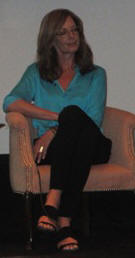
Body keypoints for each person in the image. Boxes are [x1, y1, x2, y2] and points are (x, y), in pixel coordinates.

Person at [3, 9, 111, 251]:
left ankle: (53, 199)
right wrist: (57, 119)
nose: (72, 36)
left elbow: (93, 119)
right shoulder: (36, 73)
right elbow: (10, 102)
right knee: (71, 131)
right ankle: (64, 224)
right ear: (50, 39)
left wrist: (52, 132)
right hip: (58, 151)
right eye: (63, 32)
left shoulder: (95, 74)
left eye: (75, 30)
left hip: (94, 144)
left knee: (74, 117)